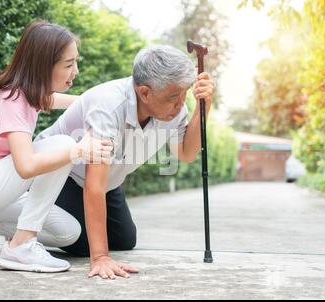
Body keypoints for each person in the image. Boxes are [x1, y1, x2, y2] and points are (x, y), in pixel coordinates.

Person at [0, 20, 113, 273]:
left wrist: (96, 102)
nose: (75, 71)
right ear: (43, 66)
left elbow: (58, 100)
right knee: (63, 145)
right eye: (68, 64)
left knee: (69, 233)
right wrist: (79, 151)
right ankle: (21, 246)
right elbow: (26, 166)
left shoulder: (28, 92)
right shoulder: (13, 97)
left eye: (76, 61)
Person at [36, 44, 215, 279]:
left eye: (185, 93)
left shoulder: (173, 109)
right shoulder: (108, 105)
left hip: (108, 182)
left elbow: (186, 153)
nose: (181, 103)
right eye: (174, 96)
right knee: (82, 244)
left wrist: (203, 108)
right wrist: (100, 258)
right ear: (144, 93)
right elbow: (94, 185)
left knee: (124, 240)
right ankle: (10, 218)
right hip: (58, 174)